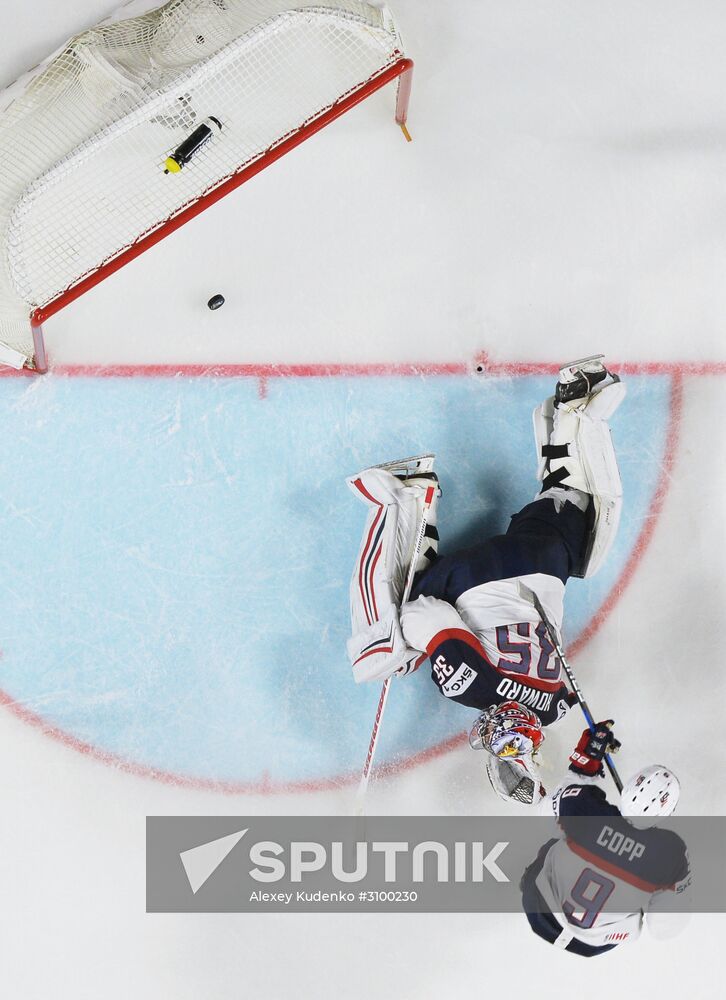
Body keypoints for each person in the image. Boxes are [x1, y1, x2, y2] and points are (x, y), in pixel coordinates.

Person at [346, 355, 626, 802]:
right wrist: (415, 640)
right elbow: (423, 612)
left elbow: (561, 705)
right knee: (386, 653)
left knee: (582, 529)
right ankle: (406, 494)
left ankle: (580, 403)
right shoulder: (469, 684)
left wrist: (593, 747)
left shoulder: (553, 709)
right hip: (476, 572)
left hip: (544, 559)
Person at [520, 721, 691, 955]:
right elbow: (662, 929)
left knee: (560, 835)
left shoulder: (583, 805)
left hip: (538, 910)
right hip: (591, 945)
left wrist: (584, 763)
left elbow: (544, 814)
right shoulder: (671, 855)